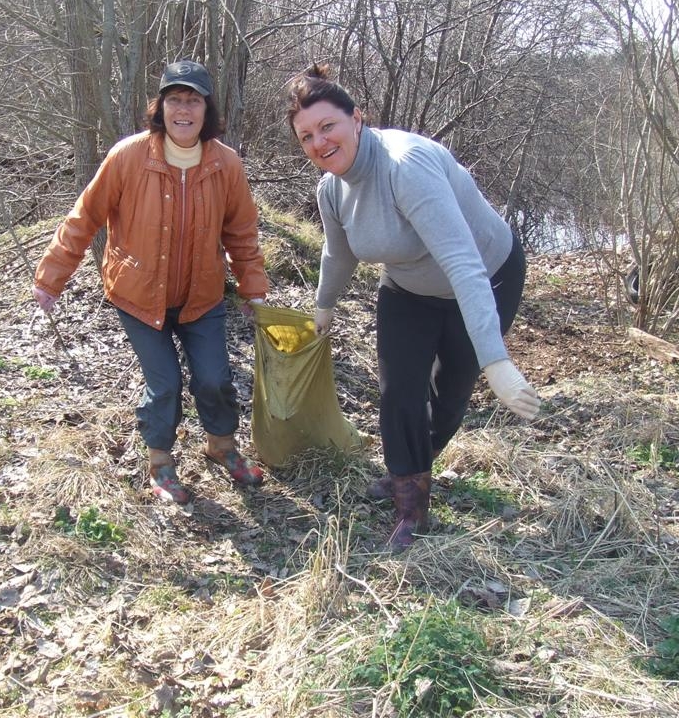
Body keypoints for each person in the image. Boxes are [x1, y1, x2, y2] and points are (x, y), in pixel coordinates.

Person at [284, 64, 541, 549]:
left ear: (357, 118)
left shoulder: (406, 167)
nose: (319, 143)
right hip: (407, 288)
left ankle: (423, 456)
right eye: (306, 137)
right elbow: (338, 252)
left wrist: (497, 360)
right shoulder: (331, 190)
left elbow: (465, 265)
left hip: (487, 275)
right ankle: (411, 498)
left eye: (327, 127)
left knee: (449, 393)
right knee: (399, 391)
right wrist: (324, 306)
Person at [34, 60, 269, 505]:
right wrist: (52, 277)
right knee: (164, 383)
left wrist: (252, 286)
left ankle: (221, 447)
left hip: (201, 297)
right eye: (175, 99)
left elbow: (241, 232)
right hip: (139, 296)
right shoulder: (129, 155)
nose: (184, 110)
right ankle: (161, 461)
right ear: (160, 107)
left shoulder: (226, 164)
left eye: (193, 100)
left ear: (207, 110)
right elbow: (85, 217)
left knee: (215, 378)